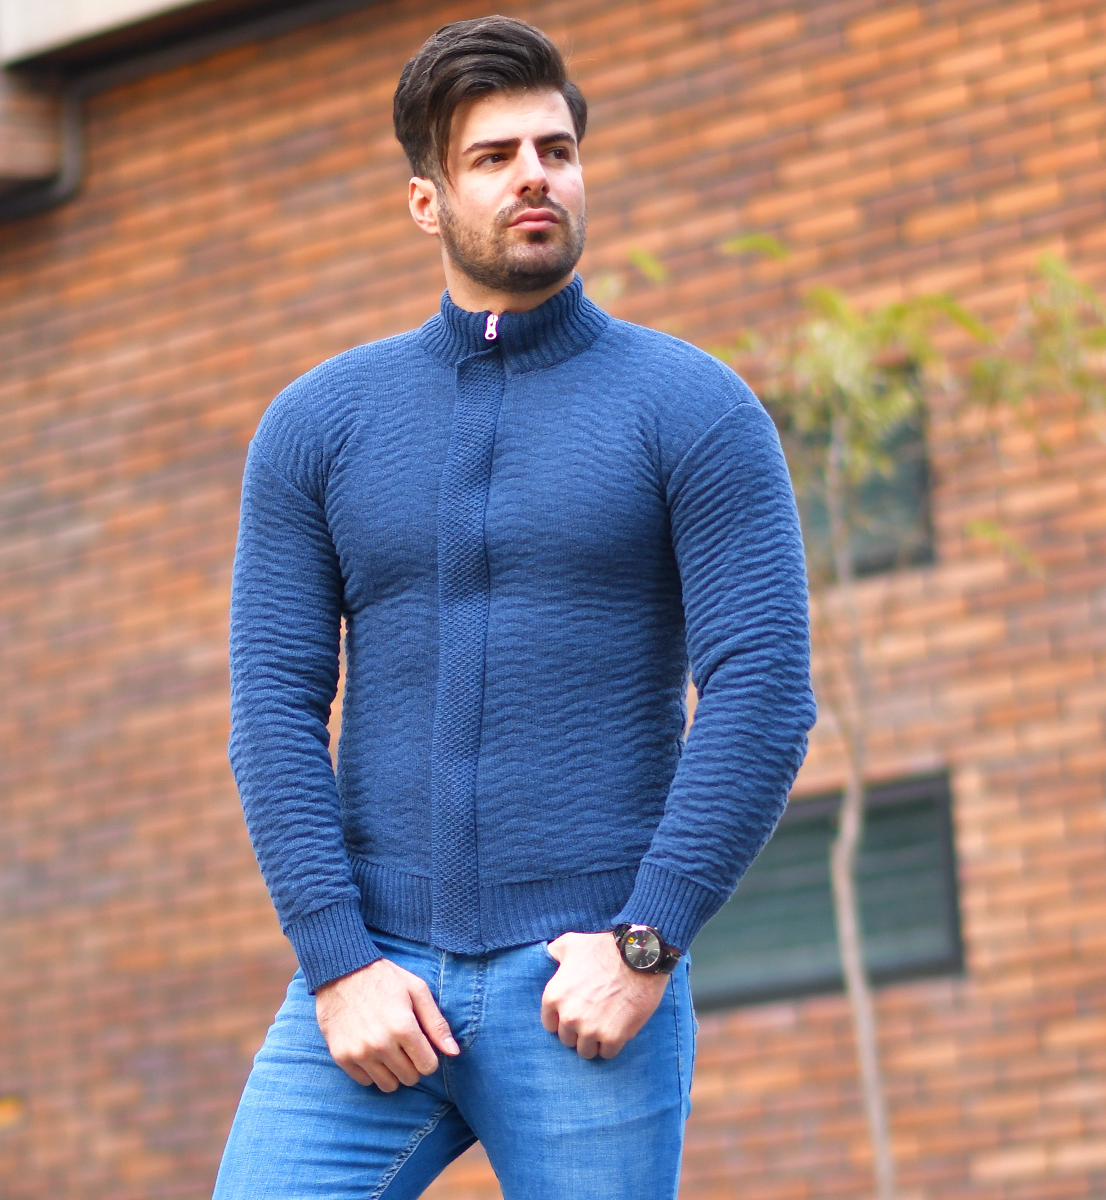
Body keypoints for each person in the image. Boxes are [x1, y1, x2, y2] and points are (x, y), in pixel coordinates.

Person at [212, 14, 816, 1200]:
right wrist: (335, 962)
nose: (535, 175)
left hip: (583, 987)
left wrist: (646, 943)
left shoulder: (693, 409)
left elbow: (762, 692)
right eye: (493, 157)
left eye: (556, 149)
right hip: (375, 984)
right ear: (427, 201)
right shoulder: (318, 425)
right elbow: (274, 708)